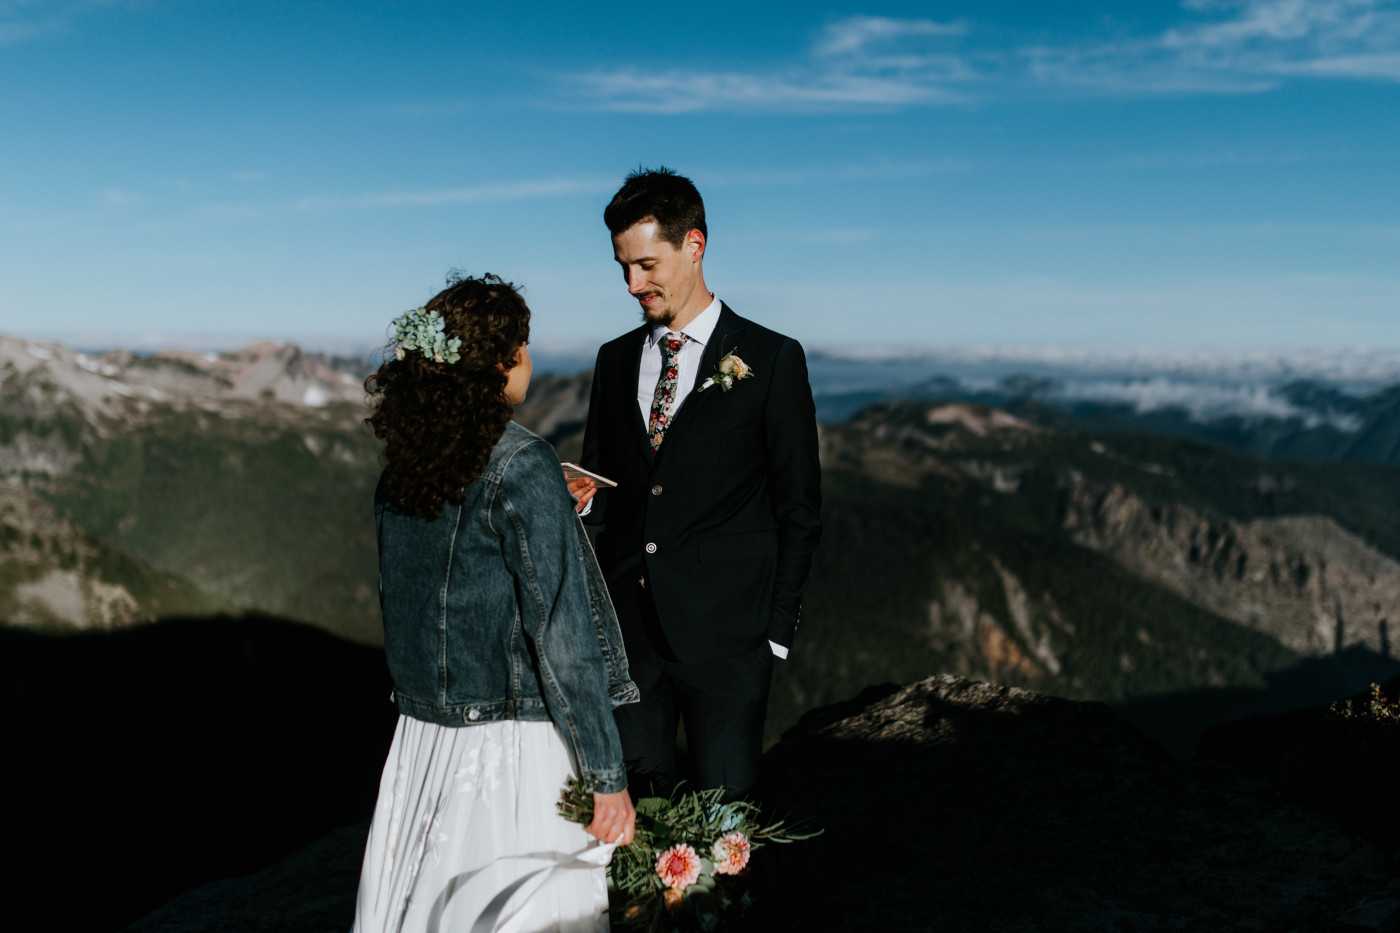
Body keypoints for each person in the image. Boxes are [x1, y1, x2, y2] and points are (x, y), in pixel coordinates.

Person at [354, 273, 638, 933]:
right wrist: (605, 774)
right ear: (501, 362)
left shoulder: (405, 467)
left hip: (424, 740)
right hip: (512, 748)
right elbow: (562, 631)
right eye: (524, 347)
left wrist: (546, 511)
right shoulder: (522, 463)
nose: (531, 362)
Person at [572, 168, 822, 802]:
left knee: (724, 832)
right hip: (628, 637)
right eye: (623, 267)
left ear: (695, 245)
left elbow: (800, 507)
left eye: (647, 265)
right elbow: (609, 482)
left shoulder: (771, 359)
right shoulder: (613, 358)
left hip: (729, 642)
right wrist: (585, 497)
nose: (633, 285)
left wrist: (775, 630)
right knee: (634, 826)